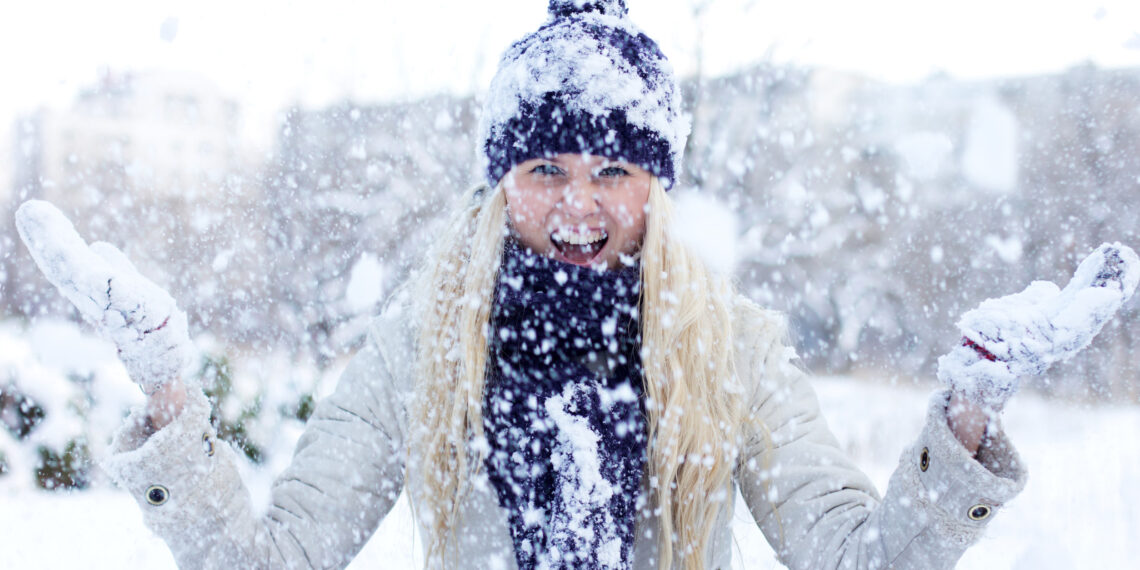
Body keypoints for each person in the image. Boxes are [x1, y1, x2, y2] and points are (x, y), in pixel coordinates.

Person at [14, 1, 1139, 569]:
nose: (578, 207)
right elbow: (277, 560)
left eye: (613, 173)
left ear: (658, 186)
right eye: (545, 170)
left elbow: (859, 558)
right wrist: (168, 392)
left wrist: (969, 410)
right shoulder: (425, 342)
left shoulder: (728, 342)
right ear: (501, 181)